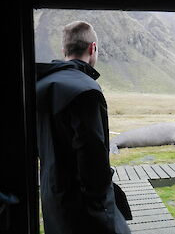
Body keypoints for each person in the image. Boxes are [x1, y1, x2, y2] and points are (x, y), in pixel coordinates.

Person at [36, 21, 131, 234]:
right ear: (92, 48)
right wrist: (103, 206)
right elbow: (92, 156)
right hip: (85, 210)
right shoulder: (86, 91)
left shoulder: (39, 85)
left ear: (64, 50)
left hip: (53, 201)